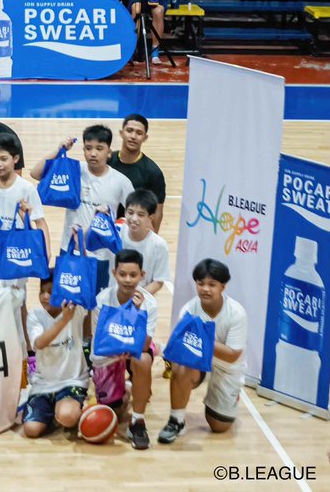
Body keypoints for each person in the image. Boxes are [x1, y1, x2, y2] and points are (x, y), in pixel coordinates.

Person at [32, 125, 134, 291]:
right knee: (69, 299)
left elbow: (133, 214)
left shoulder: (121, 182)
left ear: (109, 152)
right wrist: (58, 150)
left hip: (102, 255)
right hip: (70, 249)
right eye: (88, 148)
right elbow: (36, 173)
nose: (93, 153)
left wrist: (113, 220)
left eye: (99, 149)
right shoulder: (74, 170)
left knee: (96, 303)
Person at [160, 259, 247, 444]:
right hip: (197, 360)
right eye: (201, 284)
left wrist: (202, 337)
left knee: (218, 427)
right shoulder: (189, 310)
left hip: (226, 367)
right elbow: (181, 346)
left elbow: (232, 355)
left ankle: (230, 396)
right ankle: (176, 420)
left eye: (211, 285)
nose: (205, 289)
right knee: (180, 366)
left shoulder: (237, 313)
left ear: (222, 286)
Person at [91, 248, 157, 450]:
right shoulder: (102, 300)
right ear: (114, 273)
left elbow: (143, 345)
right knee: (115, 413)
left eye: (133, 275)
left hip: (135, 351)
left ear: (142, 275)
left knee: (143, 360)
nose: (128, 280)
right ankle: (130, 388)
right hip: (108, 354)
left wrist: (134, 314)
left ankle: (138, 422)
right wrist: (117, 350)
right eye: (122, 274)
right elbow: (99, 344)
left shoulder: (149, 304)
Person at [22, 278, 87, 439]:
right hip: (44, 383)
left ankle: (76, 405)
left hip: (71, 381)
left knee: (67, 417)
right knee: (31, 430)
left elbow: (86, 283)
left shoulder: (77, 311)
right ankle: (51, 411)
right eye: (41, 291)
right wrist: (64, 320)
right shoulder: (35, 316)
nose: (45, 296)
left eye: (50, 292)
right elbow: (40, 343)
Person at [0, 132, 49, 243]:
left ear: (15, 158)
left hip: (16, 247)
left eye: (3, 159)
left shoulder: (27, 189)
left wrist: (46, 253)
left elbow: (40, 222)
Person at [108, 114, 168, 231]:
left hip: (133, 234)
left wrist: (150, 242)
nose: (133, 136)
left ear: (145, 138)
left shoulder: (153, 172)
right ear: (121, 133)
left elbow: (157, 213)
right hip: (105, 232)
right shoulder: (107, 161)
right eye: (129, 131)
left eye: (139, 133)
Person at [120, 190, 171, 295]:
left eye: (141, 215)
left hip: (141, 300)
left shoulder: (159, 245)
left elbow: (158, 281)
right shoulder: (117, 231)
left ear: (150, 217)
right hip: (115, 297)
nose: (134, 219)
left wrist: (137, 296)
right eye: (130, 212)